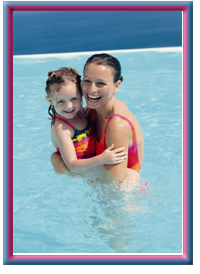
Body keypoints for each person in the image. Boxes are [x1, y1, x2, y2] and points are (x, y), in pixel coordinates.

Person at [45, 67, 127, 175]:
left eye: (74, 99)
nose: (69, 106)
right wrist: (102, 159)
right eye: (61, 101)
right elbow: (72, 165)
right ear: (50, 101)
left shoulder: (82, 112)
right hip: (84, 173)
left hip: (94, 166)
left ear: (82, 95)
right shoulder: (62, 128)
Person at [81, 53, 143, 183]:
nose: (92, 90)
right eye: (87, 81)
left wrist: (73, 169)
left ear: (116, 86)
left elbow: (113, 187)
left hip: (126, 197)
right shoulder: (91, 112)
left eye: (101, 83)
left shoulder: (117, 126)